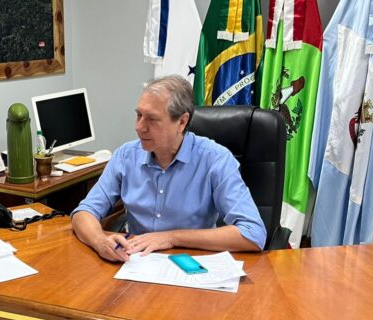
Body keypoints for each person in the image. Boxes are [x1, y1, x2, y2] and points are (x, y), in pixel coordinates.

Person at [71, 75, 266, 262]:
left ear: (181, 122)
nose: (139, 127)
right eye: (138, 115)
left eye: (152, 119)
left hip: (193, 264)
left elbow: (253, 233)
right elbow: (84, 213)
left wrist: (172, 237)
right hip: (136, 263)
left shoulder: (215, 159)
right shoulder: (126, 155)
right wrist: (100, 241)